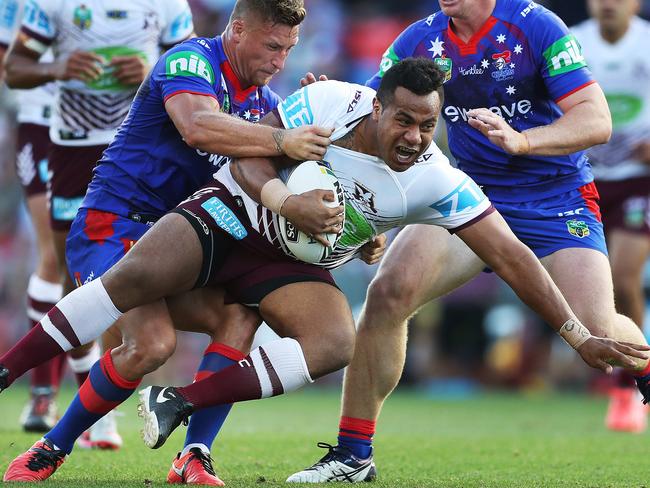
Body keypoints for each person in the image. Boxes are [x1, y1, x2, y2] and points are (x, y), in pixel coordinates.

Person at [5, 57, 645, 484]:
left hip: (289, 264)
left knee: (335, 341)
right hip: (233, 216)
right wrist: (286, 199)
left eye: (428, 125)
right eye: (404, 120)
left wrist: (575, 332)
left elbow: (513, 256)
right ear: (375, 109)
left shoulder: (439, 183)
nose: (416, 136)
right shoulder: (331, 103)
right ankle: (19, 389)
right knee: (128, 290)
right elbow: (253, 156)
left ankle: (180, 411)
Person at [286, 0, 650, 482]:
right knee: (388, 294)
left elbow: (596, 120)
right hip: (468, 196)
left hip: (554, 197)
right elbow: (373, 116)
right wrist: (331, 107)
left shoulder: (536, 27)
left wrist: (525, 141)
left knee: (598, 322)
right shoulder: (418, 41)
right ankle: (354, 454)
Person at [1, 0, 338, 483]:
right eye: (271, 46)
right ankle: (51, 446)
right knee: (152, 345)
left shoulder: (265, 105)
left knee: (239, 314)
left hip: (181, 240)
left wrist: (315, 120)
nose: (280, 61)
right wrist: (284, 138)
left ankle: (193, 455)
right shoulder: (190, 60)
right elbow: (197, 126)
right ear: (237, 30)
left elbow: (281, 166)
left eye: (288, 50)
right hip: (114, 223)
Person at [3, 0, 196, 449]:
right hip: (73, 143)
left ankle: (100, 413)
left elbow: (201, 74)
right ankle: (76, 400)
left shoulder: (169, 5)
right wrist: (59, 67)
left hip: (142, 149)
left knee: (130, 276)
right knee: (80, 277)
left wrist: (151, 69)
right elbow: (14, 69)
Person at [0, 0, 103, 437]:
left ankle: (94, 401)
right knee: (54, 259)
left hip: (108, 129)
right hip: (42, 124)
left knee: (90, 270)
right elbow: (9, 62)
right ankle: (46, 395)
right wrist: (59, 66)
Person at [572, 0, 650, 433]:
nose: (606, 4)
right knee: (593, 292)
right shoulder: (573, 43)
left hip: (640, 177)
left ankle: (629, 389)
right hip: (586, 177)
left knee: (623, 278)